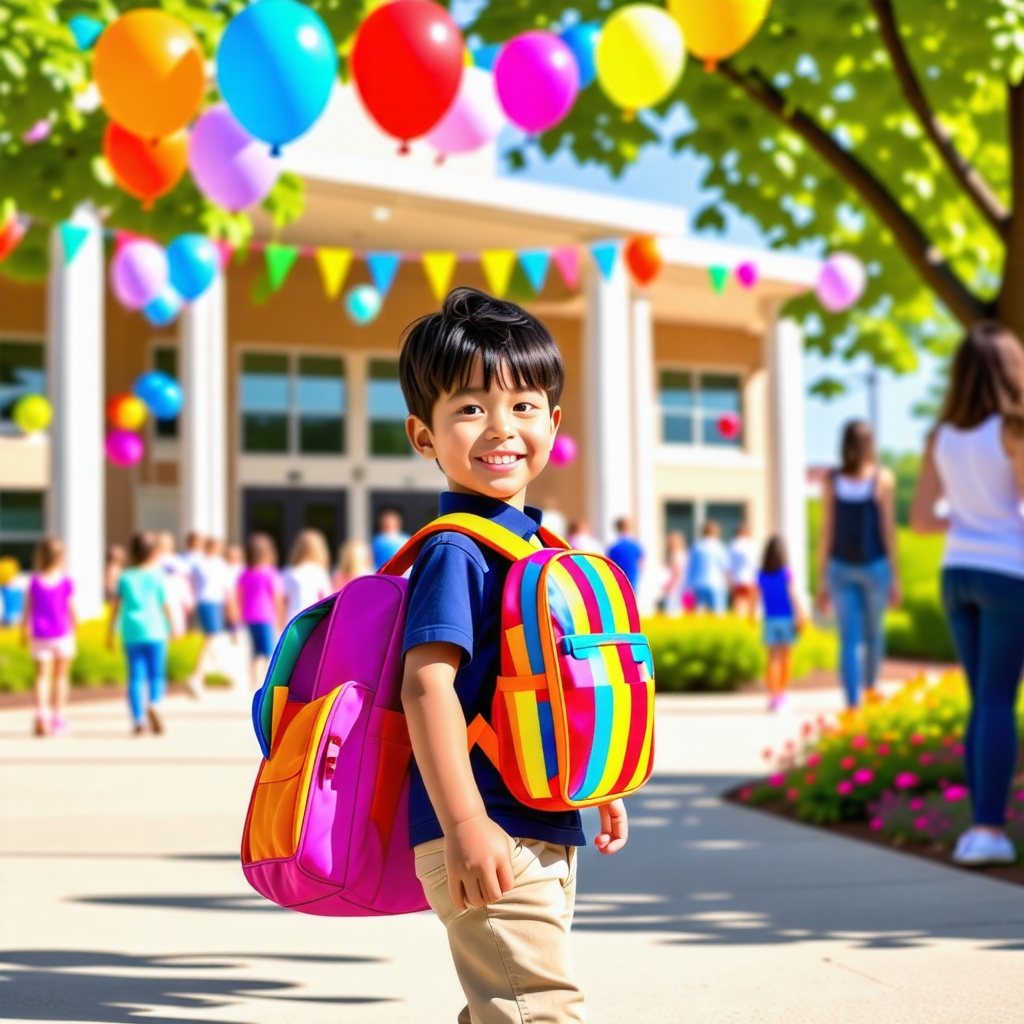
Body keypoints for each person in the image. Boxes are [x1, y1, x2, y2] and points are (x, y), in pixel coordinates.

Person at [398, 286, 627, 1023]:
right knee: (539, 1011)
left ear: (553, 422)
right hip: (490, 822)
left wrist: (595, 779)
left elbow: (549, 686)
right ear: (424, 436)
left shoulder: (531, 549)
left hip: (540, 819)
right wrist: (465, 823)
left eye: (524, 405)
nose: (501, 427)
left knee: (508, 1009)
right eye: (470, 408)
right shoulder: (458, 553)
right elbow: (427, 687)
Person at [910, 321, 1024, 867]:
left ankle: (979, 830)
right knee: (999, 700)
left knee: (983, 700)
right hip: (1007, 572)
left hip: (957, 572)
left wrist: (966, 515)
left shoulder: (941, 437)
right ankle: (989, 830)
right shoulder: (1013, 430)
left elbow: (921, 520)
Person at [816, 419, 901, 708]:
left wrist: (821, 579)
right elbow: (888, 531)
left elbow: (826, 531)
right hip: (875, 565)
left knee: (849, 640)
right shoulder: (882, 478)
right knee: (874, 634)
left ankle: (853, 704)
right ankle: (871, 690)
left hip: (839, 566)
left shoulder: (831, 479)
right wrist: (896, 576)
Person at [108, 530, 176, 735]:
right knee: (156, 674)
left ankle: (138, 718)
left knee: (136, 676)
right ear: (154, 552)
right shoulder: (158, 576)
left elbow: (115, 607)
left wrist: (109, 633)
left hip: (131, 632)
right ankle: (155, 703)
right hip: (155, 630)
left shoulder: (125, 577)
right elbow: (165, 604)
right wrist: (173, 625)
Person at [21, 538, 76, 736]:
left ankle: (40, 713)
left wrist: (23, 629)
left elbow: (28, 609)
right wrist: (76, 627)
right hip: (62, 633)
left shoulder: (34, 582)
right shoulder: (66, 582)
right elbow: (71, 608)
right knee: (61, 677)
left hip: (40, 634)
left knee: (41, 677)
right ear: (62, 558)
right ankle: (58, 717)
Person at [757, 536, 805, 713]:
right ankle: (782, 693)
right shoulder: (786, 573)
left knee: (772, 659)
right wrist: (800, 613)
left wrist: (751, 614)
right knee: (786, 659)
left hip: (770, 620)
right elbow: (792, 594)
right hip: (786, 618)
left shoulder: (761, 575)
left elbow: (756, 597)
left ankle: (773, 695)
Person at [233, 532, 284, 691]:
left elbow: (239, 596)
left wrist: (237, 618)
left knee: (255, 651)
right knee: (268, 651)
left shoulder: (244, 574)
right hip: (265, 616)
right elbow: (277, 597)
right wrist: (281, 618)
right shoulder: (269, 573)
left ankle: (254, 682)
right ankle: (266, 682)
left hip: (249, 616)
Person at [188, 537, 232, 697]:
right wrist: (232, 610)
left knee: (209, 637)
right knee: (210, 637)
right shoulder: (219, 564)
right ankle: (197, 674)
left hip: (202, 601)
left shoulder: (198, 563)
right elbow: (228, 588)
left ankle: (202, 674)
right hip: (213, 601)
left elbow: (192, 583)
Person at [282, 528, 332, 622]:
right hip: (313, 619)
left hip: (292, 619)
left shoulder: (288, 571)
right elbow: (326, 599)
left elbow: (284, 600)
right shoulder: (319, 572)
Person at [685, 521, 730, 614]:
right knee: (718, 612)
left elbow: (690, 566)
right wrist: (729, 583)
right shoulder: (719, 546)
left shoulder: (696, 546)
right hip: (717, 583)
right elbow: (725, 567)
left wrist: (688, 584)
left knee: (700, 612)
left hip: (698, 583)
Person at [156, 531, 194, 639]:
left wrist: (188, 600)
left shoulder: (178, 563)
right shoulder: (179, 563)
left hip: (169, 603)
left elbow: (185, 583)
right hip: (166, 604)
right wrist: (188, 602)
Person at [728, 521, 759, 620]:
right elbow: (755, 563)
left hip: (736, 578)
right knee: (751, 602)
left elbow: (728, 565)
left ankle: (738, 621)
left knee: (737, 602)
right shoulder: (751, 545)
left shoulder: (732, 545)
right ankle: (750, 621)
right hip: (749, 577)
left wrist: (729, 580)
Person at [606, 516, 645, 594]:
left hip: (618, 581)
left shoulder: (614, 547)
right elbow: (641, 563)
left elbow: (608, 565)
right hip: (632, 579)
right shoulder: (635, 545)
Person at [660, 530, 689, 615]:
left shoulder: (676, 554)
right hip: (682, 586)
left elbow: (677, 573)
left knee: (672, 611)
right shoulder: (683, 554)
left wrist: (669, 585)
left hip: (676, 588)